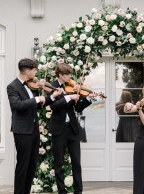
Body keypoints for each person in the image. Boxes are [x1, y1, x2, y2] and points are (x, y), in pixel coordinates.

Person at [7, 58, 62, 194]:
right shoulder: (12, 86)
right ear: (27, 71)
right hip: (22, 131)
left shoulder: (32, 85)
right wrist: (37, 99)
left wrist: (52, 97)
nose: (36, 72)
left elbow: (39, 105)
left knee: (32, 166)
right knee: (22, 165)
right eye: (35, 70)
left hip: (34, 131)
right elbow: (17, 105)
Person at [48, 63, 98, 194]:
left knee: (76, 162)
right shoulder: (52, 86)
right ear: (60, 75)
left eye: (70, 74)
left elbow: (78, 108)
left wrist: (87, 98)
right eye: (67, 74)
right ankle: (62, 191)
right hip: (59, 129)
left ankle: (78, 191)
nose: (70, 76)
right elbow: (54, 106)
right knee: (59, 163)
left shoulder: (72, 86)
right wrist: (68, 97)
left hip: (72, 129)